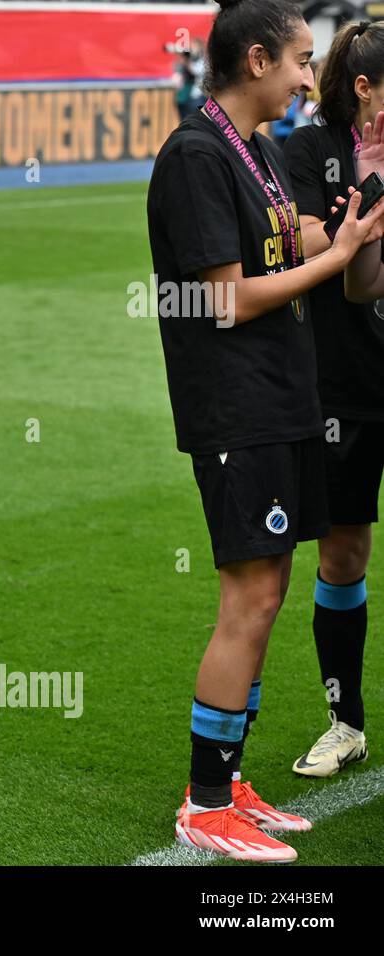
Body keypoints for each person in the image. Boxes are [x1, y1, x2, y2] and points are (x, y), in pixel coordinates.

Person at [146, 0, 384, 862]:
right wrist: (329, 260)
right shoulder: (197, 154)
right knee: (245, 600)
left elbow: (291, 239)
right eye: (299, 60)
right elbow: (224, 295)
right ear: (255, 61)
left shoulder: (256, 150)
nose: (307, 78)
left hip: (281, 400)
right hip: (233, 408)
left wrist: (351, 226)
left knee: (270, 593)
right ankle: (205, 802)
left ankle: (231, 780)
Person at [281, 20, 383, 780]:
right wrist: (365, 200)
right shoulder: (305, 151)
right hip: (342, 386)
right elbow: (312, 244)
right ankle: (345, 722)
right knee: (343, 552)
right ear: (364, 88)